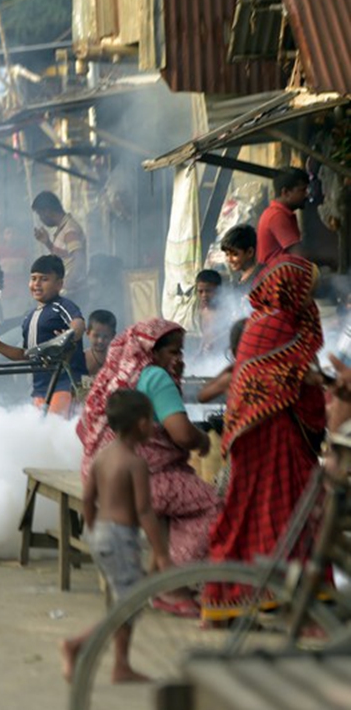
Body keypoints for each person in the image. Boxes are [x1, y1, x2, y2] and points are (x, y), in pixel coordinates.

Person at [202, 255, 327, 623]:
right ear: (292, 288)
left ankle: (262, 594)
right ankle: (267, 593)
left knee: (264, 510)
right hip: (270, 433)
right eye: (308, 290)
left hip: (263, 431)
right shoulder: (278, 324)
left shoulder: (265, 321)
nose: (310, 299)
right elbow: (293, 376)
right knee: (285, 508)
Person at [77, 319, 219, 567]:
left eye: (181, 351)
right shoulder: (156, 377)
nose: (179, 358)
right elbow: (183, 435)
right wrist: (204, 440)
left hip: (101, 476)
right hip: (143, 480)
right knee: (213, 506)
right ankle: (177, 573)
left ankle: (160, 570)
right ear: (152, 352)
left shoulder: (117, 374)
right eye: (173, 351)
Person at [60, 390, 170, 684]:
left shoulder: (103, 456)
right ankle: (78, 645)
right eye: (150, 420)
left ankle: (121, 665)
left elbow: (88, 497)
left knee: (122, 602)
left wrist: (94, 530)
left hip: (101, 535)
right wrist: (161, 553)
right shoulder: (135, 464)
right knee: (129, 605)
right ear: (139, 424)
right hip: (121, 537)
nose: (154, 426)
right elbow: (145, 511)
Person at [0, 255, 87, 417]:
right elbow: (25, 355)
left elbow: (78, 323)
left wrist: (68, 336)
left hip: (64, 385)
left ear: (59, 284)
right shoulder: (29, 317)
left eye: (44, 279)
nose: (37, 284)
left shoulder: (62, 306)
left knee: (56, 433)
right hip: (40, 390)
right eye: (33, 279)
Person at [32, 191, 88, 301]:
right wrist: (47, 243)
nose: (41, 219)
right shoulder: (64, 229)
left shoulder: (69, 230)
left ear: (47, 211)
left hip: (73, 295)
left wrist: (64, 286)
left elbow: (79, 261)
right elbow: (64, 258)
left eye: (40, 214)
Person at [256, 167, 310, 265]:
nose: (306, 195)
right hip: (276, 278)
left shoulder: (278, 213)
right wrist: (327, 260)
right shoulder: (277, 216)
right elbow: (299, 258)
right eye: (303, 190)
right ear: (286, 192)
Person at [220, 223, 259, 298]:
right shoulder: (239, 279)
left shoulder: (259, 280)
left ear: (250, 252)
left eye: (235, 254)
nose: (229, 260)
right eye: (227, 254)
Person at [194, 269, 224, 355]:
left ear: (219, 291)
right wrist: (199, 352)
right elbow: (205, 336)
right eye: (200, 291)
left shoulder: (224, 312)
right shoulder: (202, 309)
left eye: (208, 291)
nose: (204, 295)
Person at [84, 310, 117, 376]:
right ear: (88, 333)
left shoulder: (118, 359)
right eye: (96, 336)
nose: (100, 341)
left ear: (113, 336)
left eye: (105, 337)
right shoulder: (82, 359)